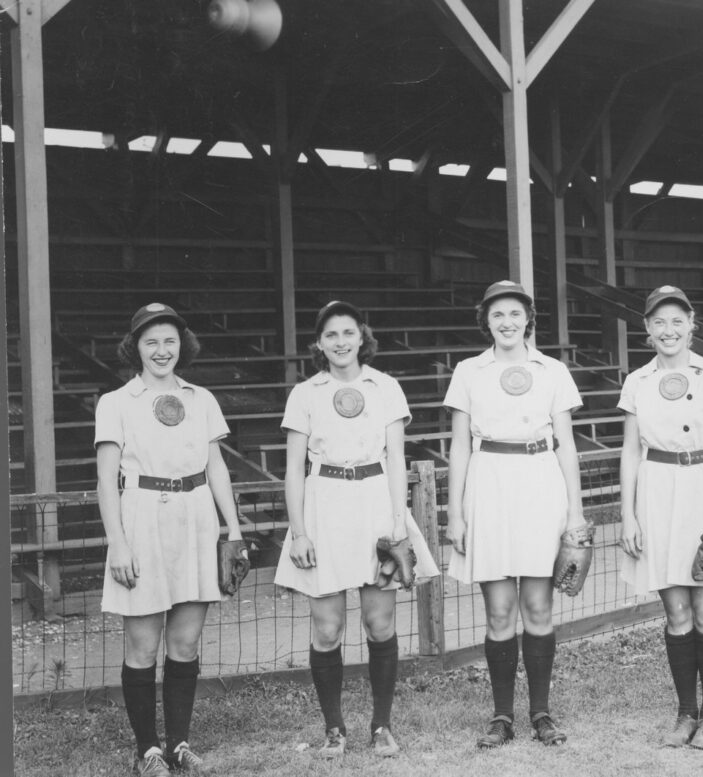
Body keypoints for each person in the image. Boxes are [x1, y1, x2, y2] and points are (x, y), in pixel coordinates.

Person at [273, 300, 439, 762]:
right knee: (327, 629)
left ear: (362, 337)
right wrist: (299, 532)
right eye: (331, 334)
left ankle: (382, 726)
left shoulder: (385, 386)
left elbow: (396, 459)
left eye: (348, 332)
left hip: (374, 503)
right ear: (319, 343)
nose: (341, 341)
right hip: (323, 505)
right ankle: (334, 729)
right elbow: (293, 469)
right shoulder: (305, 393)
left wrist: (397, 521)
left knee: (378, 622)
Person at [96, 303, 247, 776]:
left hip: (196, 517)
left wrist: (234, 528)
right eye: (151, 342)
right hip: (141, 519)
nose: (162, 351)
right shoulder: (116, 402)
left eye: (170, 341)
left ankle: (179, 744)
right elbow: (106, 481)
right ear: (135, 347)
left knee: (184, 643)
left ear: (183, 344)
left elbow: (216, 466)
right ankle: (148, 750)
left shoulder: (201, 399)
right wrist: (118, 543)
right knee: (142, 646)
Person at [444, 280, 586, 748]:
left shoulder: (552, 370)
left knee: (538, 607)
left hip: (540, 482)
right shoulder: (469, 371)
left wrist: (575, 512)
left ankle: (541, 713)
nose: (507, 322)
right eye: (497, 314)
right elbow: (460, 446)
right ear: (485, 320)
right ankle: (502, 716)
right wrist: (455, 513)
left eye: (515, 313)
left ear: (529, 319)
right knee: (500, 610)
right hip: (489, 485)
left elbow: (566, 445)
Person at [618, 285, 703, 751]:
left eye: (677, 320)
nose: (668, 329)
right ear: (647, 328)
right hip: (657, 491)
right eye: (659, 321)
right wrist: (628, 513)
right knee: (676, 611)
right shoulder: (638, 381)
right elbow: (630, 451)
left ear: (692, 325)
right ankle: (685, 713)